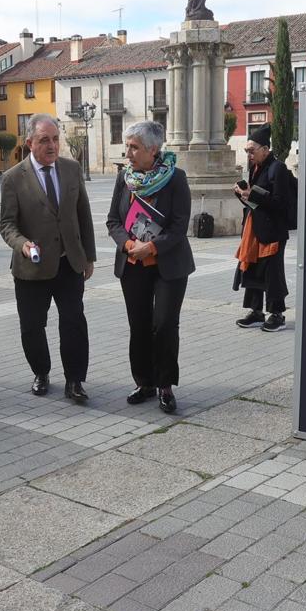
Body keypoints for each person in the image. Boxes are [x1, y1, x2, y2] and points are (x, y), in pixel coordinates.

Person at [0, 113, 96, 402]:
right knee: (32, 327)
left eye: (55, 139)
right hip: (32, 267)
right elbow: (6, 225)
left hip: (69, 262)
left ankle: (75, 381)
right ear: (30, 142)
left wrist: (88, 256)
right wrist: (23, 244)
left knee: (74, 322)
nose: (52, 145)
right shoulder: (14, 178)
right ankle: (41, 372)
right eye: (44, 140)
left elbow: (83, 214)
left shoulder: (71, 168)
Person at [105, 121, 195, 414]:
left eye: (134, 147)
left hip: (168, 265)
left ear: (153, 150)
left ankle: (165, 385)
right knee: (139, 325)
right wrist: (130, 246)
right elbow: (113, 222)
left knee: (165, 324)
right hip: (133, 265)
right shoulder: (124, 178)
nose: (128, 152)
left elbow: (180, 226)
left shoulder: (176, 178)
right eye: (127, 146)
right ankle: (144, 382)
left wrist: (152, 247)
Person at [233, 124, 294, 332]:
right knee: (252, 270)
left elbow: (280, 203)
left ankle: (277, 314)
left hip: (273, 232)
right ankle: (256, 312)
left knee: (273, 274)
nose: (249, 155)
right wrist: (243, 196)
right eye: (246, 151)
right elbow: (256, 204)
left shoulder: (278, 168)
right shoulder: (255, 169)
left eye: (252, 150)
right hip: (255, 229)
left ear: (265, 149)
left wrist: (253, 194)